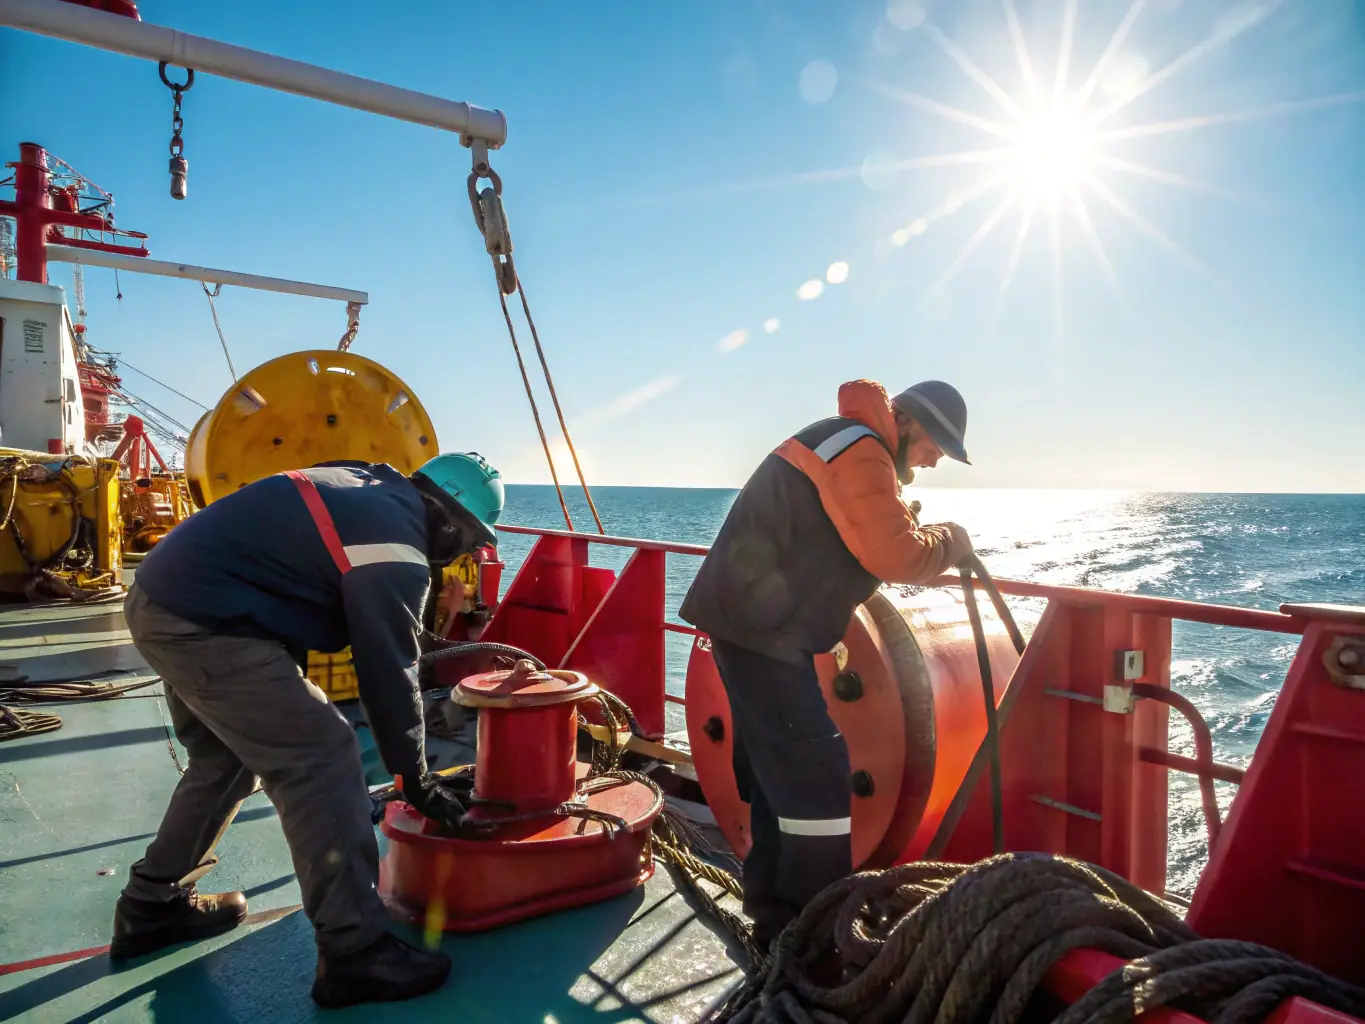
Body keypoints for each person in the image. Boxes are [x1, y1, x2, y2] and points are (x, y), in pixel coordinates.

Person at [111, 452, 505, 1008]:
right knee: (323, 757)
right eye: (469, 540)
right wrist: (415, 778)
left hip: (169, 597)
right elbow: (388, 675)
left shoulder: (370, 486)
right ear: (447, 520)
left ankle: (150, 906)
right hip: (205, 620)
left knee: (226, 759)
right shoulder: (396, 547)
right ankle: (355, 952)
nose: (464, 553)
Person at [678, 378, 975, 948]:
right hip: (761, 635)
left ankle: (775, 926)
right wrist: (951, 540)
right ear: (909, 423)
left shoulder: (847, 442)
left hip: (754, 629)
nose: (935, 460)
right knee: (815, 779)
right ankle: (814, 940)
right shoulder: (862, 450)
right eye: (936, 446)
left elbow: (845, 529)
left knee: (779, 779)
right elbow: (898, 555)